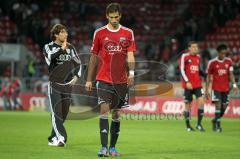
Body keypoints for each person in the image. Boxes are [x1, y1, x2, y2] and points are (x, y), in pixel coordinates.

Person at [85, 3, 136, 157]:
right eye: (111, 17)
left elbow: (130, 55)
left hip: (121, 81)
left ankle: (113, 147)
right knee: (104, 110)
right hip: (103, 78)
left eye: (116, 17)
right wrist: (89, 79)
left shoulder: (128, 33)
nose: (114, 19)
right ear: (107, 16)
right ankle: (103, 147)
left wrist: (132, 73)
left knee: (116, 114)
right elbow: (93, 57)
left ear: (120, 16)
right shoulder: (99, 33)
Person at [43, 24, 81, 147]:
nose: (66, 34)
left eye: (66, 32)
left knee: (64, 113)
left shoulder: (71, 48)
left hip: (67, 85)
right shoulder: (48, 47)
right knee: (56, 112)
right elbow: (50, 57)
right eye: (63, 32)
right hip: (55, 84)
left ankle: (52, 138)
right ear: (56, 34)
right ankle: (61, 138)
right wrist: (62, 48)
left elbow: (78, 63)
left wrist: (77, 77)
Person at [205, 44, 238, 132]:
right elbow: (208, 76)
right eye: (222, 53)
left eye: (225, 53)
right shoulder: (212, 62)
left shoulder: (229, 61)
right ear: (218, 53)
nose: (224, 55)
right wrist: (206, 89)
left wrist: (234, 85)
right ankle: (218, 126)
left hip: (226, 89)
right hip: (216, 88)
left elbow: (231, 74)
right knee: (218, 106)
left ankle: (215, 119)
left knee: (224, 107)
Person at [179, 41, 205, 132]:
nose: (196, 49)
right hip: (188, 85)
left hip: (198, 84)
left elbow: (199, 70)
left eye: (196, 47)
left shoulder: (198, 57)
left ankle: (199, 124)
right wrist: (187, 81)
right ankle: (188, 126)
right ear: (189, 48)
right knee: (188, 105)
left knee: (201, 101)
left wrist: (206, 75)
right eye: (193, 47)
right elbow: (182, 70)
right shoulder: (184, 56)